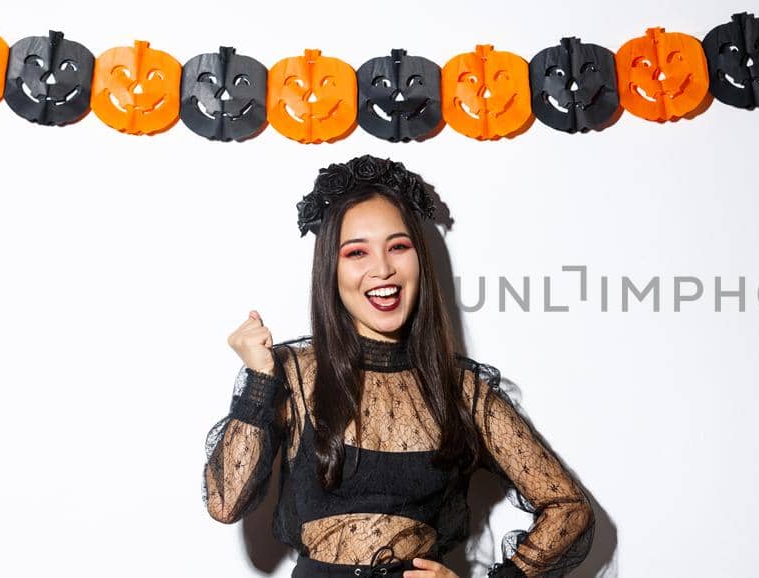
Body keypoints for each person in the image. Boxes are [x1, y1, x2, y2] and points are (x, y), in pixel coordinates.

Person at [203, 155, 593, 578]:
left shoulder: (462, 390)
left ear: (419, 258)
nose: (383, 269)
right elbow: (225, 503)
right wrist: (260, 381)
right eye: (357, 252)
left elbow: (568, 509)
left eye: (398, 246)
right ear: (330, 270)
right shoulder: (294, 376)